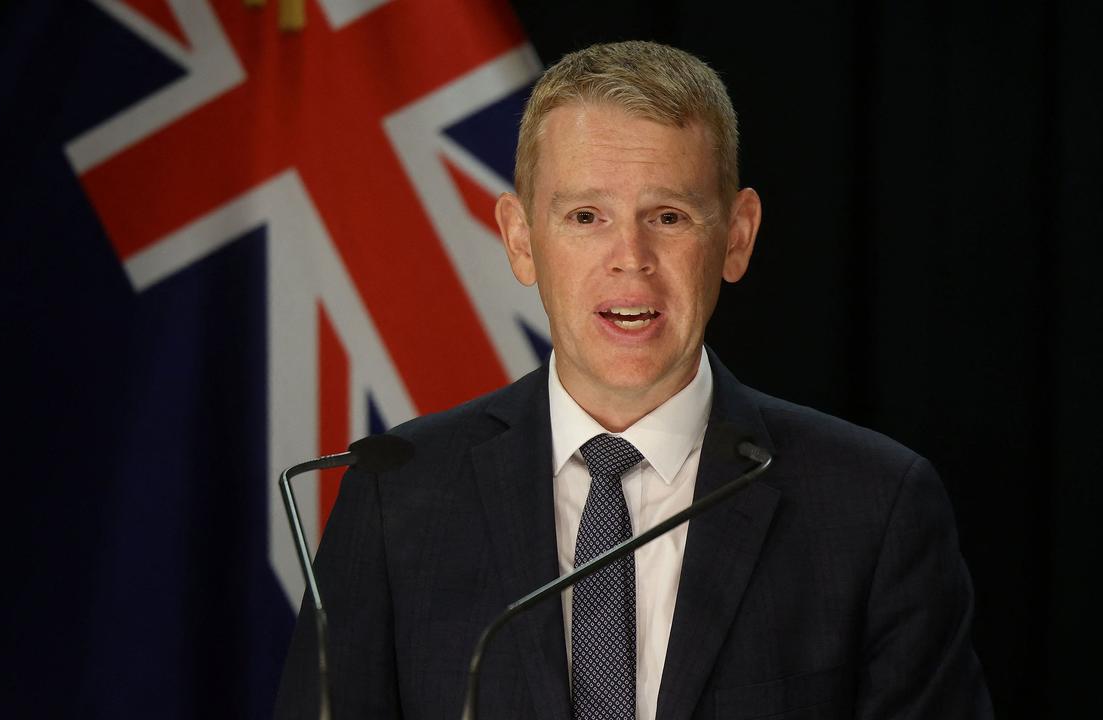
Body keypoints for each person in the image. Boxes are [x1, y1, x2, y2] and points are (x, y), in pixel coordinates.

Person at [276, 40, 993, 719]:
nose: (631, 257)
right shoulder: (396, 495)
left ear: (736, 237)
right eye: (587, 216)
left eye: (669, 216)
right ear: (521, 239)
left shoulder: (873, 507)